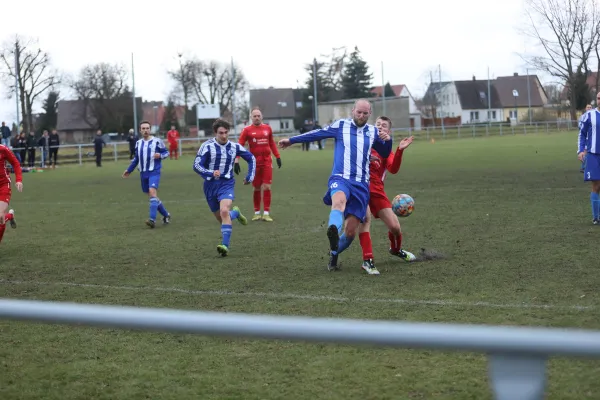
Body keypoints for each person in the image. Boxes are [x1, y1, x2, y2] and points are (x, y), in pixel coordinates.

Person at [278, 99, 392, 272]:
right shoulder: (341, 126)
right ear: (353, 111)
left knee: (351, 232)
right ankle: (333, 228)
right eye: (358, 112)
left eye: (365, 113)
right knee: (338, 201)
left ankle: (334, 250)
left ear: (369, 114)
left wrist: (387, 140)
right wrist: (292, 140)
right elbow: (318, 133)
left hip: (361, 184)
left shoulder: (372, 131)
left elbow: (384, 152)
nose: (361, 116)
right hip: (340, 178)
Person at [356, 116, 416, 275]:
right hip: (360, 189)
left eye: (384, 125)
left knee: (395, 227)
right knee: (365, 219)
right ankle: (367, 261)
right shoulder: (364, 144)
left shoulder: (385, 151)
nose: (380, 127)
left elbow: (393, 169)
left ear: (388, 131)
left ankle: (396, 250)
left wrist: (400, 150)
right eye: (377, 124)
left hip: (377, 192)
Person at [194, 118, 256, 256]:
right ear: (215, 133)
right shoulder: (207, 146)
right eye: (221, 133)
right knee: (222, 218)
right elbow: (196, 165)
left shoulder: (234, 147)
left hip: (226, 183)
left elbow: (251, 158)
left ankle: (224, 246)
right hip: (210, 185)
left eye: (226, 132)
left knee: (223, 211)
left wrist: (250, 176)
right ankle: (236, 213)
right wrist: (210, 172)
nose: (224, 135)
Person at [234, 107, 281, 222]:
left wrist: (277, 156)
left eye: (258, 116)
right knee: (256, 188)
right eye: (254, 116)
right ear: (251, 118)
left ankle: (266, 213)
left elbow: (271, 143)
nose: (256, 118)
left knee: (267, 186)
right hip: (254, 163)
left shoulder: (267, 129)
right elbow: (239, 145)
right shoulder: (247, 130)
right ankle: (256, 213)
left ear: (262, 117)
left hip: (266, 162)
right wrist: (236, 160)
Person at [123, 121, 171, 228]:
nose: (145, 130)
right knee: (152, 197)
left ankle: (152, 220)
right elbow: (136, 159)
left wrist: (160, 155)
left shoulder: (157, 141)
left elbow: (166, 152)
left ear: (150, 129)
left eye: (147, 128)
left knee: (152, 192)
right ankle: (166, 215)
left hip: (154, 171)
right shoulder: (138, 143)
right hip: (143, 173)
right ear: (140, 130)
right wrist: (129, 170)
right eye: (143, 128)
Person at [0, 143, 23, 245]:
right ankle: (9, 216)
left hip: (4, 186)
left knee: (0, 216)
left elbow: (15, 162)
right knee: (2, 217)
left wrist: (18, 180)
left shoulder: (3, 149)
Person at [579, 104, 592, 173]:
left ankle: (585, 167)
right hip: (585, 138)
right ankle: (583, 167)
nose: (589, 108)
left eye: (590, 107)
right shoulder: (583, 117)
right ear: (585, 108)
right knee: (584, 152)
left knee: (589, 152)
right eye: (588, 107)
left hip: (591, 138)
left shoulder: (593, 116)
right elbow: (580, 127)